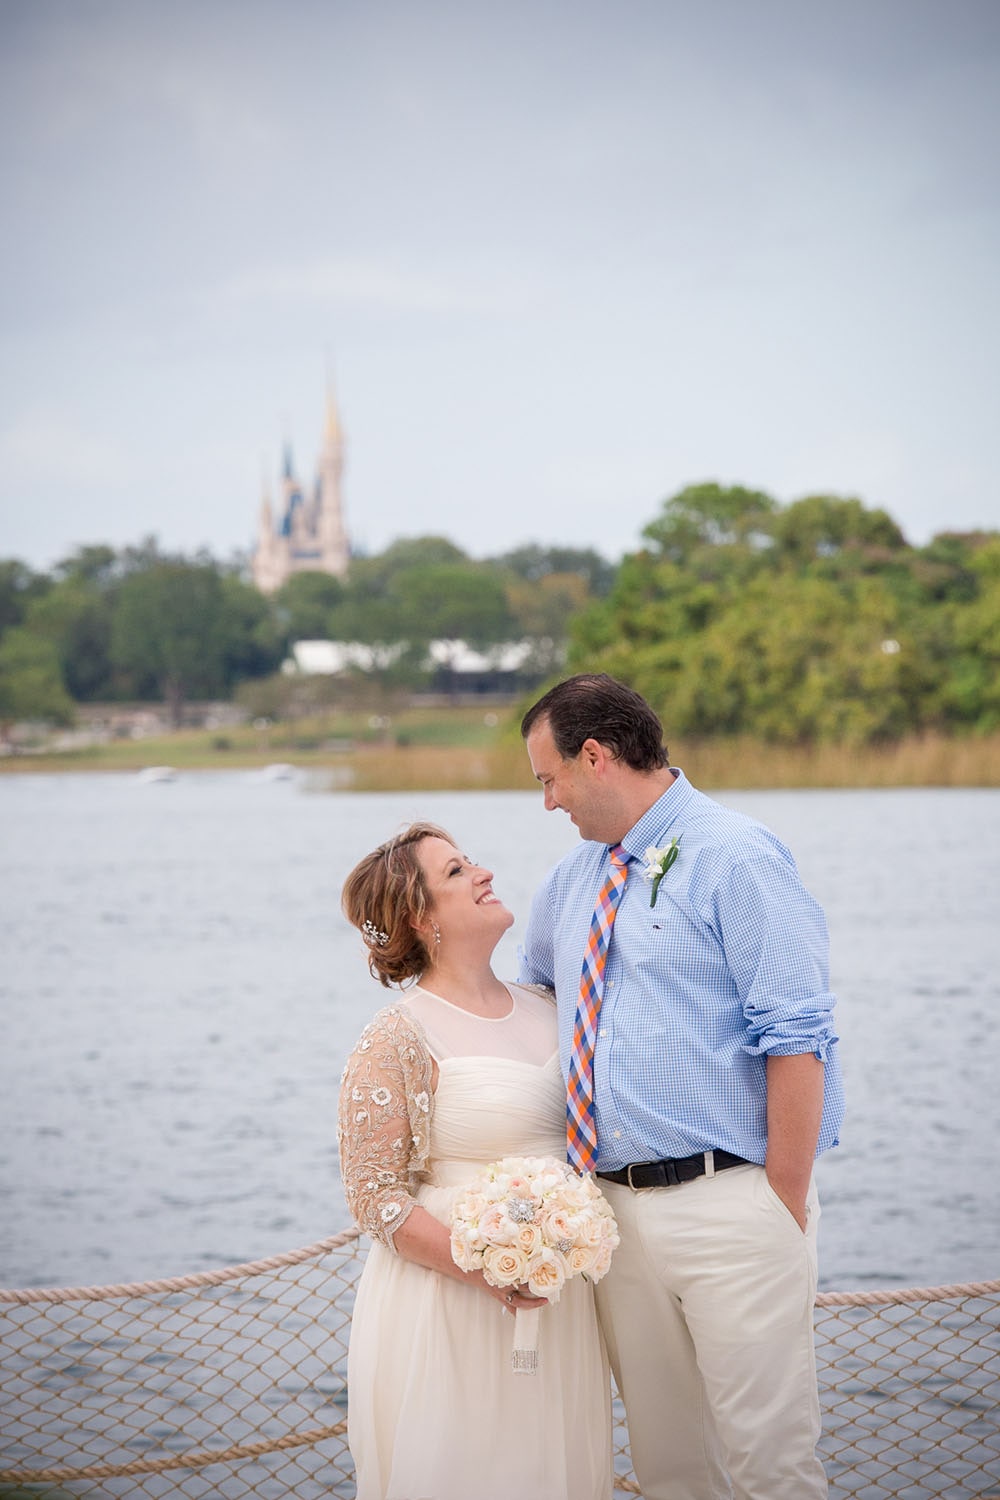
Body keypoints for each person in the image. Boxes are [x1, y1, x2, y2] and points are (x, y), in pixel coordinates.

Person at [518, 674, 844, 1500]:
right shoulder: (568, 882)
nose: (548, 802)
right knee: (669, 1470)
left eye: (548, 778)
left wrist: (781, 1200)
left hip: (731, 1202)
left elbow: (799, 1038)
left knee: (769, 1464)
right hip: (612, 1220)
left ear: (595, 757)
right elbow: (536, 1011)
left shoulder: (736, 854)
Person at [337, 821, 613, 1500]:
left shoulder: (552, 1006)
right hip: (449, 1305)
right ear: (419, 916)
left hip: (558, 1296)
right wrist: (487, 1270)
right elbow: (376, 1197)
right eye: (457, 872)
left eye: (470, 862)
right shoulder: (397, 1035)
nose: (484, 873)